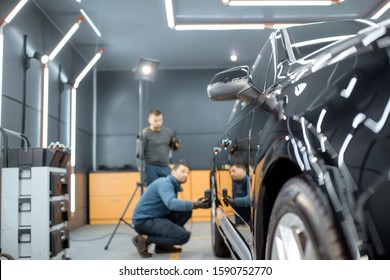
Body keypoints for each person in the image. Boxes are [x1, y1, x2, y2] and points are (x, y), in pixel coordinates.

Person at [131, 163, 210, 258]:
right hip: (144, 221)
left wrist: (195, 205)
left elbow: (172, 206)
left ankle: (162, 246)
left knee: (186, 211)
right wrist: (195, 204)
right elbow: (171, 203)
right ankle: (144, 239)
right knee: (183, 236)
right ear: (173, 172)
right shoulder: (165, 183)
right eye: (183, 171)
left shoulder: (171, 184)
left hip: (156, 217)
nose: (186, 175)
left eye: (188, 173)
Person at [137, 109, 180, 185]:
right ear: (149, 120)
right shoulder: (144, 133)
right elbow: (139, 152)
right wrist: (140, 166)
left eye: (160, 120)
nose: (158, 122)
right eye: (155, 120)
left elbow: (174, 148)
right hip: (150, 166)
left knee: (169, 187)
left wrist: (176, 143)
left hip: (165, 166)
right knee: (153, 190)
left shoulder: (167, 132)